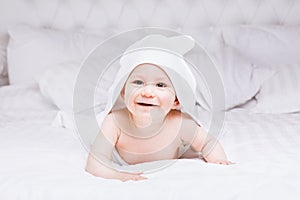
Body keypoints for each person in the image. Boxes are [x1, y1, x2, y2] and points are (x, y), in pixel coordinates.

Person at [85, 35, 233, 182]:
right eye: (138, 82)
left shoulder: (181, 124)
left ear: (176, 100)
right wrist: (117, 176)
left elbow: (208, 142)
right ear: (123, 93)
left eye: (160, 85)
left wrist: (218, 161)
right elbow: (95, 162)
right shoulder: (114, 122)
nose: (147, 92)